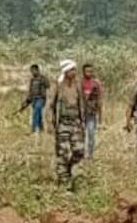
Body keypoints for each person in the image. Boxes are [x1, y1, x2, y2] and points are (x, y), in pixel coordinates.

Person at [51, 59, 85, 189]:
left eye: (75, 70)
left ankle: (68, 169)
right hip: (63, 124)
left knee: (79, 151)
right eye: (72, 70)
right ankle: (63, 181)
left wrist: (83, 122)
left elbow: (81, 103)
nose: (74, 72)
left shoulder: (77, 85)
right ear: (65, 71)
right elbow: (50, 105)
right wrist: (50, 124)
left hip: (76, 123)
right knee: (63, 153)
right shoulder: (58, 85)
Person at [18, 64, 49, 134]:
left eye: (34, 70)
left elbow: (48, 86)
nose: (32, 72)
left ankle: (34, 129)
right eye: (31, 71)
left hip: (41, 99)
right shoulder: (32, 80)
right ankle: (41, 129)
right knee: (39, 114)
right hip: (34, 99)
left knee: (35, 113)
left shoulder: (43, 78)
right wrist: (27, 101)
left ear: (37, 70)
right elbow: (30, 91)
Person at [81, 63, 103, 160]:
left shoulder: (96, 84)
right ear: (83, 72)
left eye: (91, 71)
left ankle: (90, 155)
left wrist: (100, 115)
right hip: (81, 112)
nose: (89, 73)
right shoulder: (79, 83)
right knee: (81, 134)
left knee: (91, 133)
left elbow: (99, 99)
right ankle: (82, 153)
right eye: (87, 71)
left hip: (91, 113)